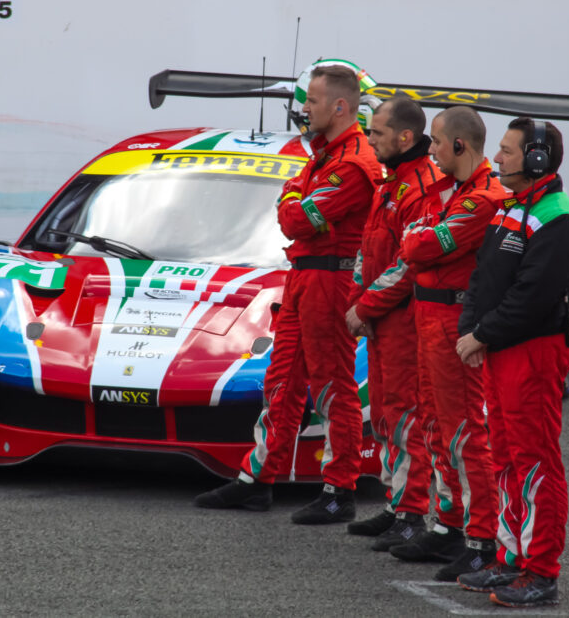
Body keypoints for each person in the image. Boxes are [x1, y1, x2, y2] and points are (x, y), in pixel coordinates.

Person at [194, 64, 382, 523]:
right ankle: (258, 479)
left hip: (332, 281)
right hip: (303, 278)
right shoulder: (324, 154)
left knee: (333, 386)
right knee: (280, 382)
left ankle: (340, 489)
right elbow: (291, 204)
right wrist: (295, 199)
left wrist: (294, 201)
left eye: (312, 102)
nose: (304, 110)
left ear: (340, 107)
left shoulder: (355, 162)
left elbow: (294, 217)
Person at [454, 118, 569, 608]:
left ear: (537, 159)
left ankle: (542, 570)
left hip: (532, 351)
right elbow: (483, 278)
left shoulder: (558, 216)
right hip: (504, 349)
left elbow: (533, 297)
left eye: (509, 151)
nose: (498, 158)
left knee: (535, 460)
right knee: (507, 457)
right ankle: (512, 557)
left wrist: (481, 335)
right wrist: (471, 330)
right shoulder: (510, 206)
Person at [390, 106, 506, 581]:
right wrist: (419, 236)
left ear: (459, 145)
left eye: (436, 142)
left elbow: (419, 246)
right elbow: (411, 239)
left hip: (454, 321)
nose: (430, 149)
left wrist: (419, 237)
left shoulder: (484, 197)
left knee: (465, 435)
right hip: (429, 314)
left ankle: (481, 538)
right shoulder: (453, 191)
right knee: (436, 427)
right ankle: (450, 523)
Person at [344, 96, 442, 547]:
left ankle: (411, 512)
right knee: (384, 415)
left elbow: (408, 264)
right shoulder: (391, 181)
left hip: (405, 321)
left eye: (377, 133)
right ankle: (395, 502)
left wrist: (365, 307)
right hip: (382, 320)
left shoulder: (422, 185)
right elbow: (368, 248)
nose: (370, 140)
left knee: (406, 417)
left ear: (405, 136)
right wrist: (360, 300)